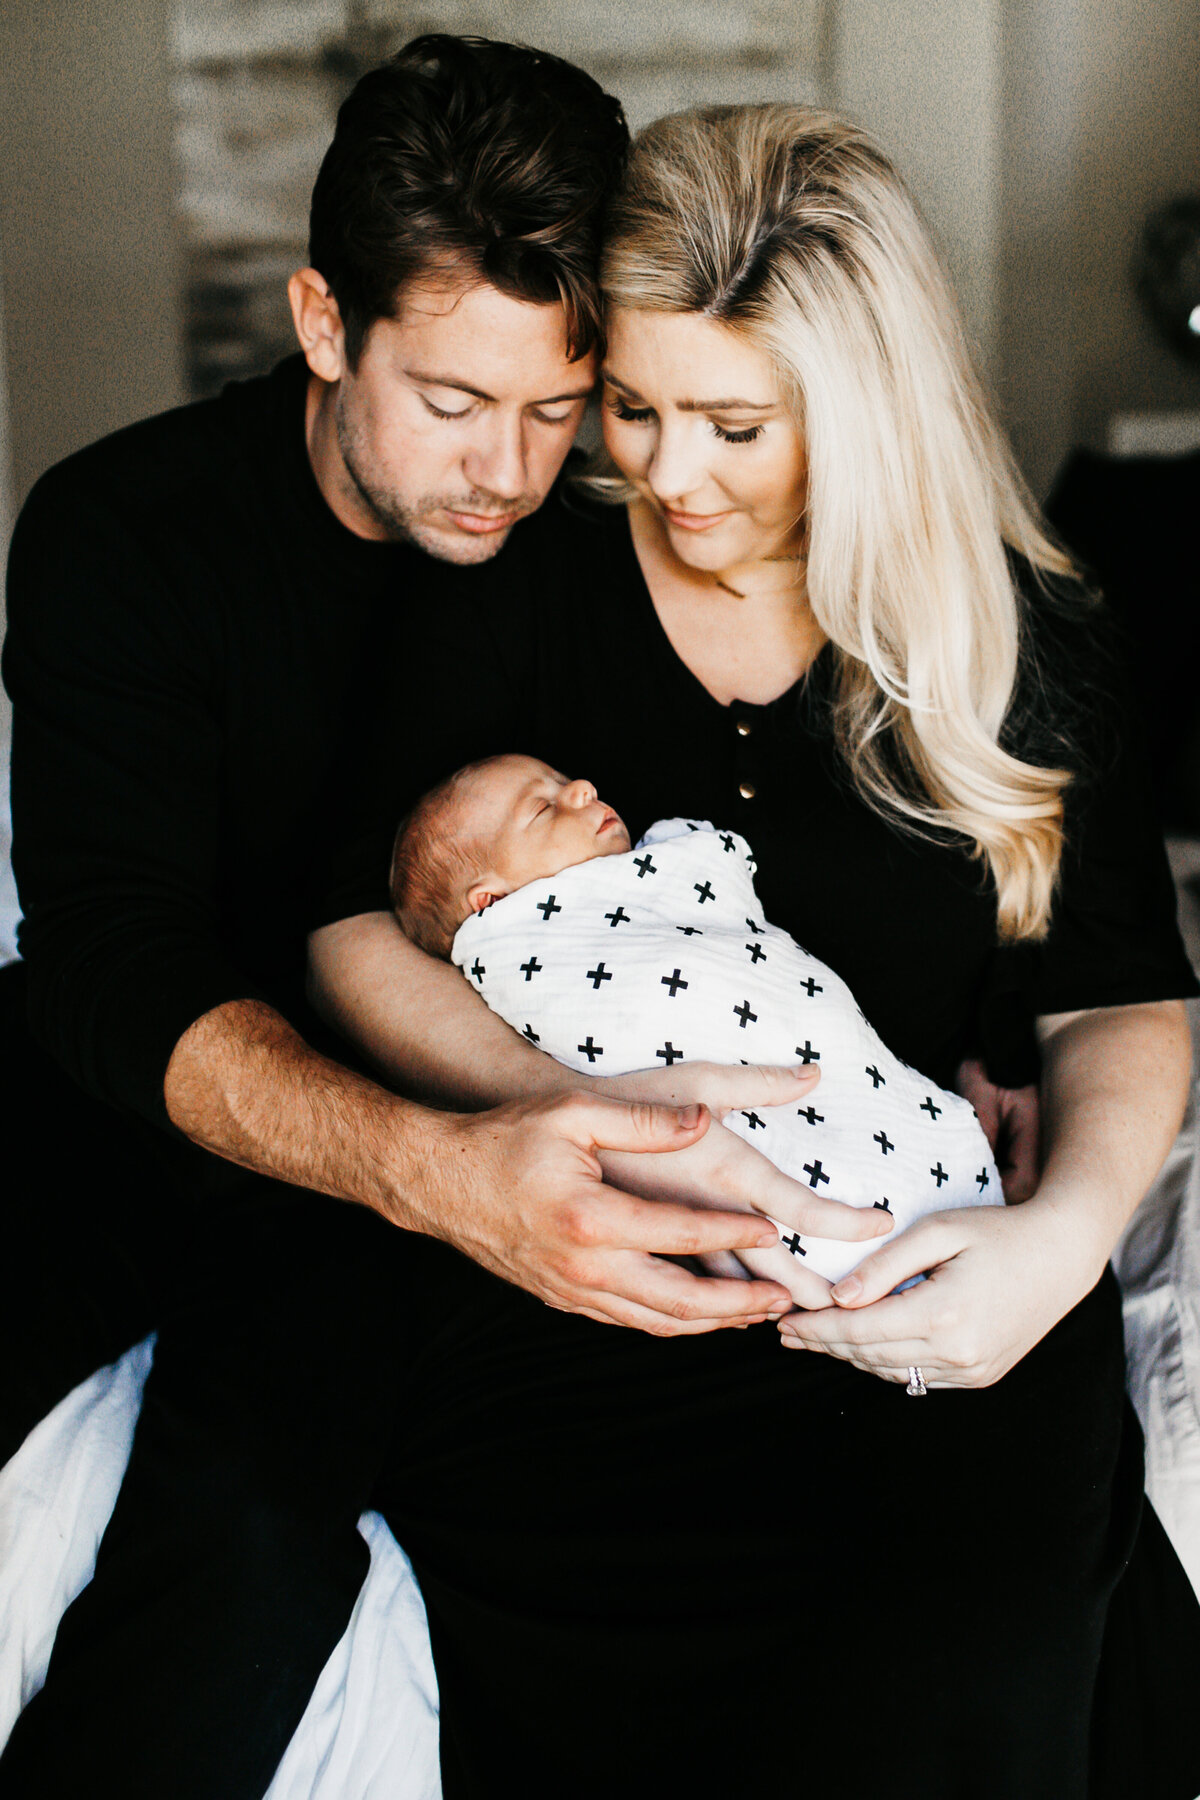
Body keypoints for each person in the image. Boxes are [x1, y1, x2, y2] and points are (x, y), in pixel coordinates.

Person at [304, 105, 1200, 1796]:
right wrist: (592, 1119)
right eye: (632, 408)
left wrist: (1063, 1247)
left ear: (863, 408)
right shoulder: (516, 589)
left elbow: (1119, 994)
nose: (668, 471)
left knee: (966, 1659)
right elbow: (353, 924)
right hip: (589, 1282)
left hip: (927, 1265)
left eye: (734, 423)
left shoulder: (1022, 631)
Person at [0, 39, 851, 1800]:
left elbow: (731, 867)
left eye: (559, 410)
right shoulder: (122, 532)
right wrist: (415, 1158)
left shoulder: (599, 553)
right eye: (455, 403)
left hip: (421, 1162)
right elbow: (103, 959)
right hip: (136, 1102)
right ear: (324, 324)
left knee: (244, 1528)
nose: (513, 471)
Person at [389, 750, 1000, 1296]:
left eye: (564, 779)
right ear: (491, 905)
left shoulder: (660, 873)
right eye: (544, 809)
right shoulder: (525, 949)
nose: (581, 787)